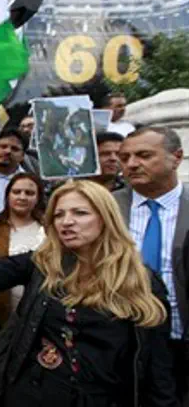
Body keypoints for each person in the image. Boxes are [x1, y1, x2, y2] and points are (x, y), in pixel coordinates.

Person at [0, 176, 177, 406]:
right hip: (34, 394)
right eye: (58, 215)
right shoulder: (43, 264)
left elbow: (158, 369)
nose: (66, 222)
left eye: (80, 213)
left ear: (106, 218)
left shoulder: (141, 280)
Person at [115, 126, 189, 405]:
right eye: (125, 158)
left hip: (180, 338)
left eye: (144, 155)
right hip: (125, 340)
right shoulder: (106, 209)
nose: (132, 164)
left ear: (176, 157)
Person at [0, 173, 46, 326]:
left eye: (29, 193)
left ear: (38, 198)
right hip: (3, 318)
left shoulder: (50, 229)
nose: (22, 197)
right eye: (16, 192)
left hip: (43, 316)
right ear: (7, 196)